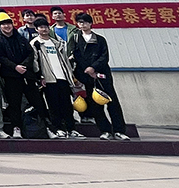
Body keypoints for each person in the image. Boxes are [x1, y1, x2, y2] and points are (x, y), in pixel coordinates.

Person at [69, 12, 129, 140]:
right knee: (95, 105)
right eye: (80, 22)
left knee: (112, 102)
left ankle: (119, 131)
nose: (83, 25)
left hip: (102, 76)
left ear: (90, 23)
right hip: (87, 77)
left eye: (85, 22)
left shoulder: (100, 39)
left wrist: (93, 68)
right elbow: (74, 57)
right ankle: (105, 130)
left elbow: (104, 57)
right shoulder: (75, 39)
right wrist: (83, 72)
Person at [0, 11, 45, 138]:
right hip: (10, 77)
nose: (7, 26)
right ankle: (17, 128)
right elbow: (0, 57)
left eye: (8, 23)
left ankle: (46, 127)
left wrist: (24, 66)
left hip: (27, 75)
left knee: (37, 102)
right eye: (3, 24)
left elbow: (30, 53)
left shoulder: (20, 38)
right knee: (14, 104)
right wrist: (15, 67)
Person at [31, 16, 81, 139]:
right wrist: (39, 76)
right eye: (41, 27)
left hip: (62, 77)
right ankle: (58, 129)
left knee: (67, 105)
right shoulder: (35, 44)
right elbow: (34, 62)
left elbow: (65, 61)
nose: (44, 29)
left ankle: (71, 129)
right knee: (53, 105)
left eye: (46, 27)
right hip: (48, 79)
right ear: (36, 29)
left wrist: (71, 76)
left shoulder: (57, 43)